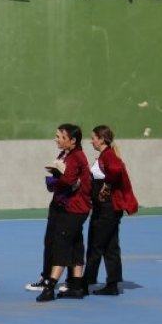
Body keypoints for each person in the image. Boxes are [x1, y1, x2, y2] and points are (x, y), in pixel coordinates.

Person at [36, 124, 92, 302]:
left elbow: (67, 181)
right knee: (75, 244)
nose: (57, 139)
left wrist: (53, 182)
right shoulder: (66, 155)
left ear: (72, 140)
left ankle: (50, 286)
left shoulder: (76, 157)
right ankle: (76, 286)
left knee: (61, 244)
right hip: (70, 206)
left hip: (74, 208)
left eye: (60, 137)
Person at [84, 125, 138, 296]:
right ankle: (113, 284)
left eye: (93, 138)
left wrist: (106, 185)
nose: (91, 141)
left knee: (96, 244)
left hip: (106, 209)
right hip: (108, 208)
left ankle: (86, 282)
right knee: (110, 247)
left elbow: (116, 169)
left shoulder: (108, 155)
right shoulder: (105, 155)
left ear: (101, 139)